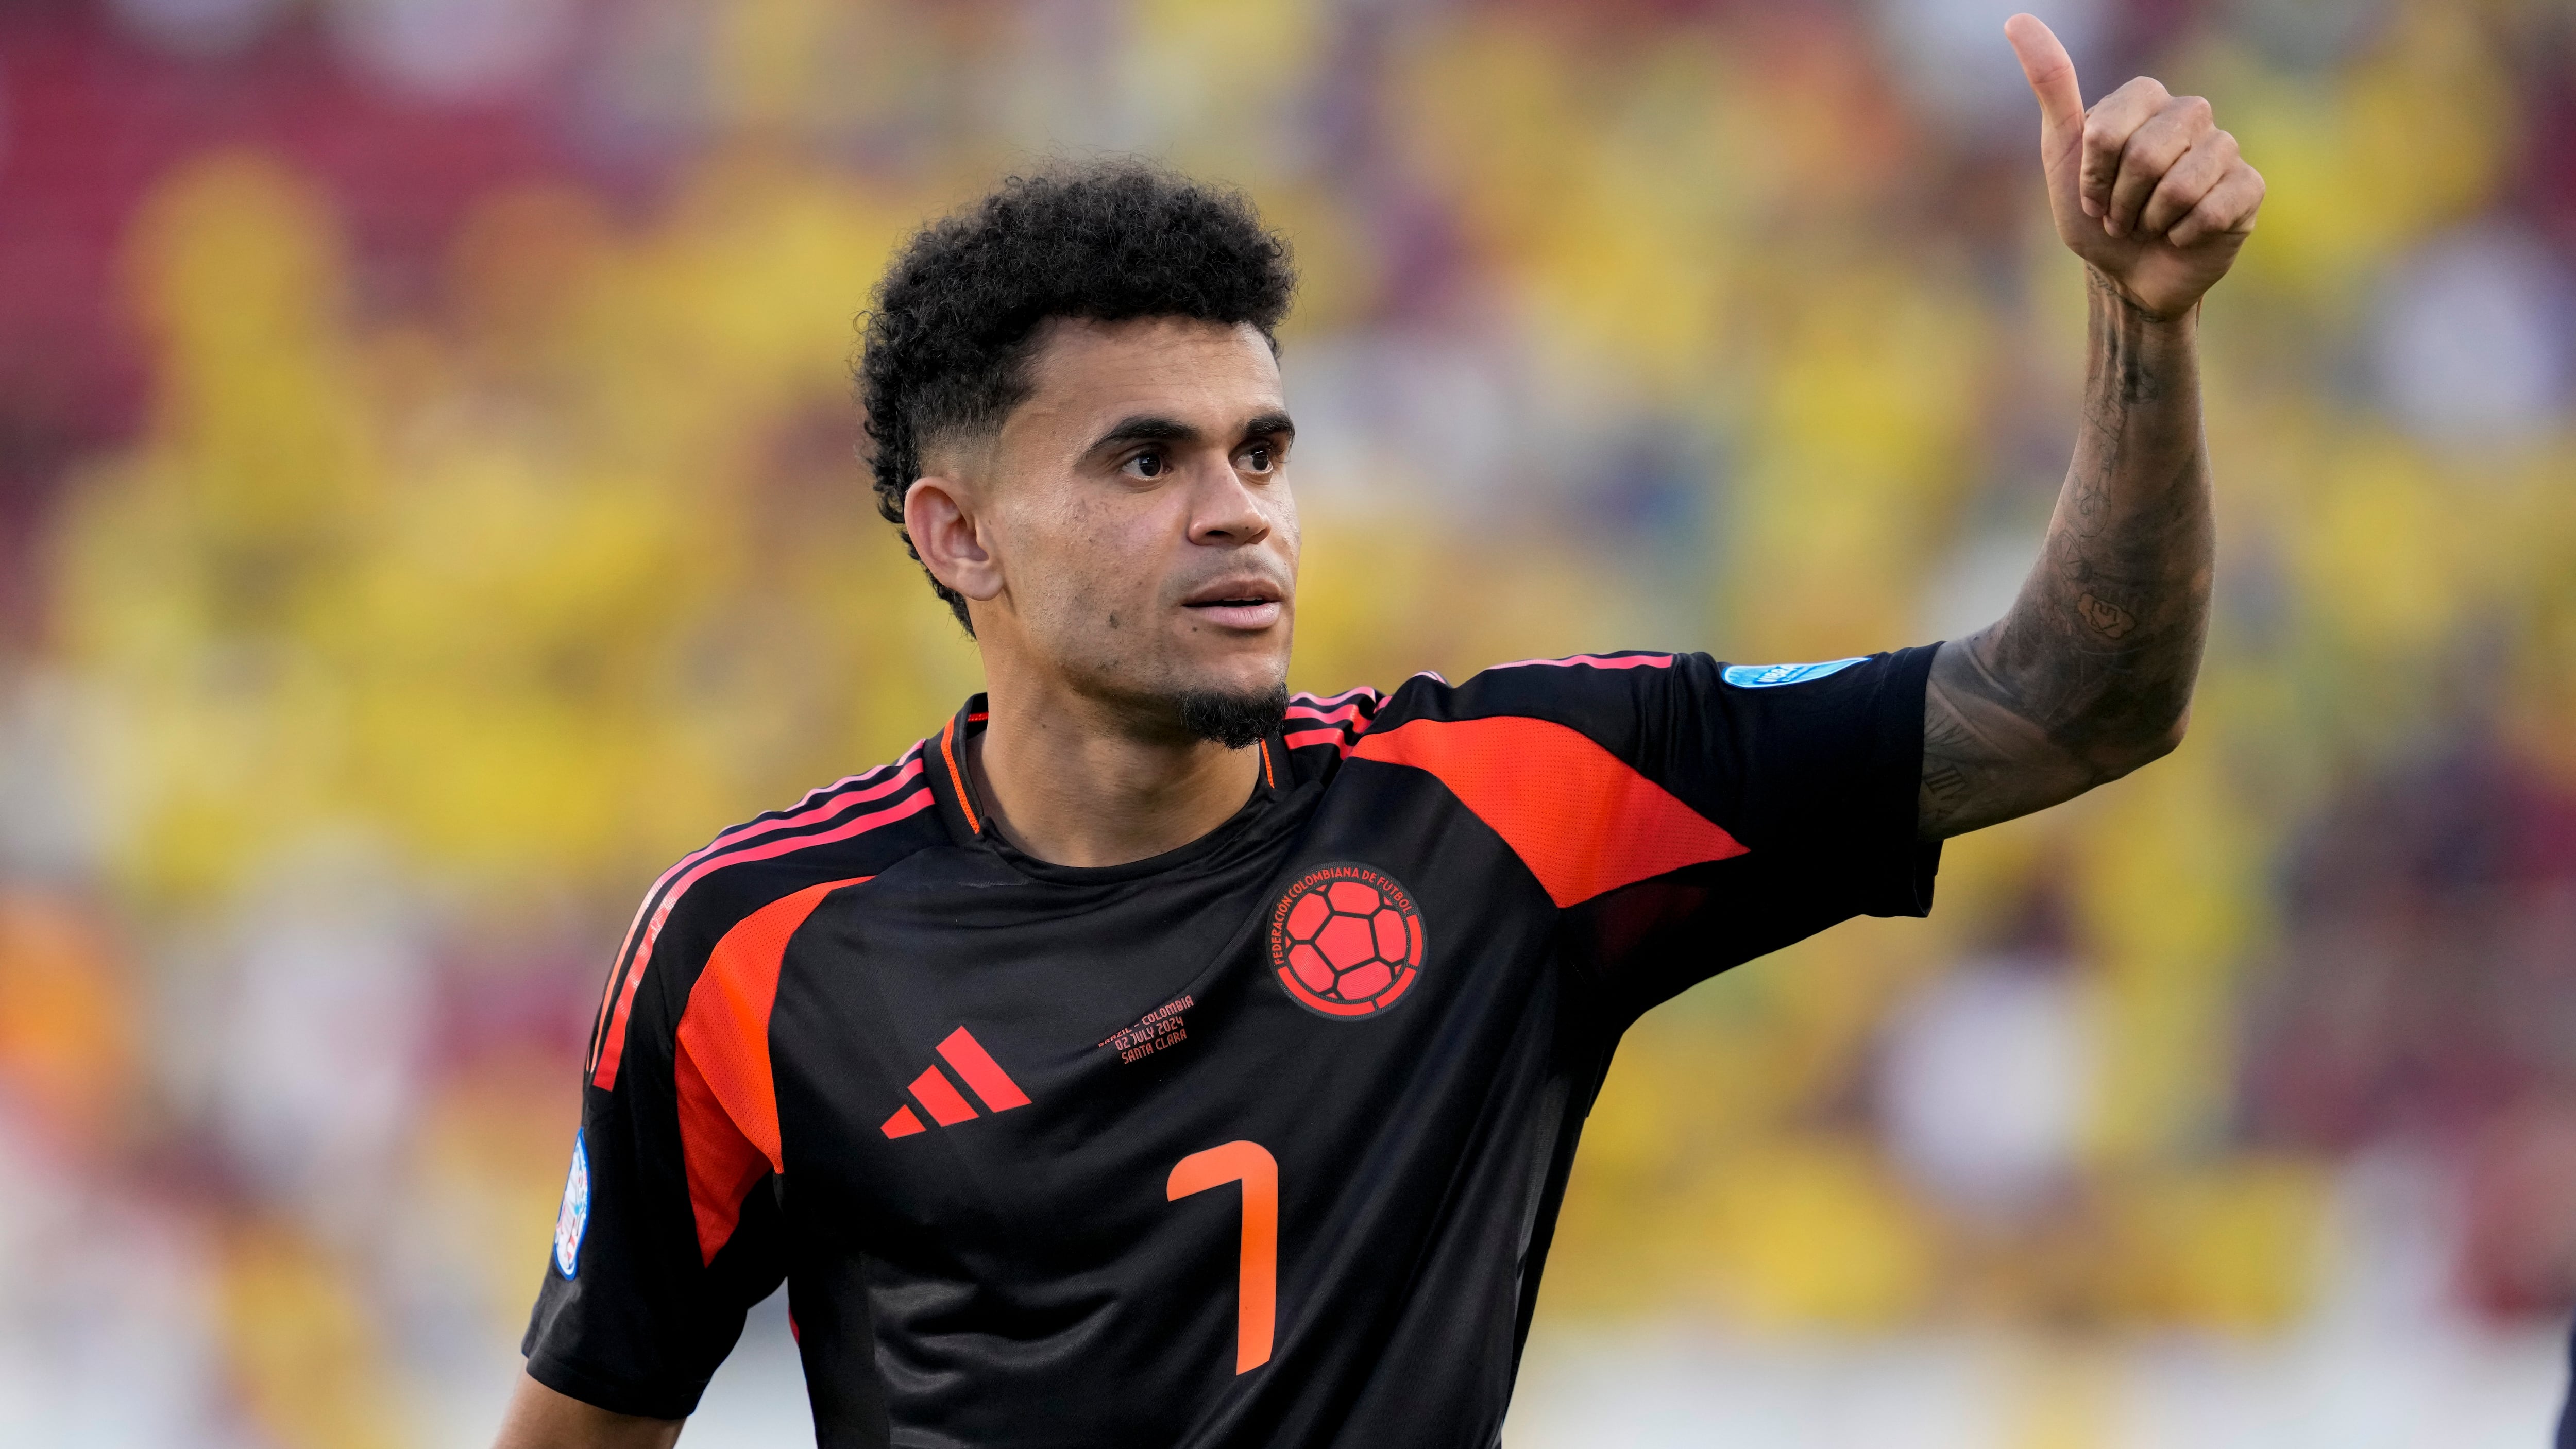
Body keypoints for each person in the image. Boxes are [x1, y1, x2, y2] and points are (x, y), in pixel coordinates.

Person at [493, 16, 2261, 1448]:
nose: (1241, 511)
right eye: (1145, 460)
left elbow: (2070, 702)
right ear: (958, 536)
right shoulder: (750, 951)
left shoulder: (1509, 808)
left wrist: (2142, 324)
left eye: (1262, 451)